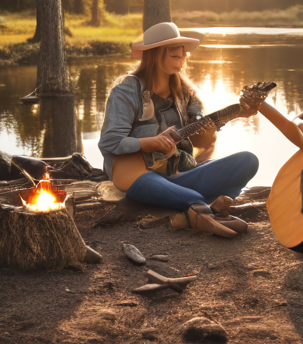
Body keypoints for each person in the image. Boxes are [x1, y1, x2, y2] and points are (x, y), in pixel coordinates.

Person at [98, 22, 259, 238]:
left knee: (247, 161)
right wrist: (151, 143)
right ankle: (198, 206)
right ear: (156, 55)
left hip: (177, 174)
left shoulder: (185, 93)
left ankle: (206, 208)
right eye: (175, 56)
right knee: (191, 195)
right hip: (140, 178)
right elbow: (110, 142)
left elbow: (201, 131)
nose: (182, 60)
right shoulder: (126, 91)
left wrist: (236, 113)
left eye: (183, 56)